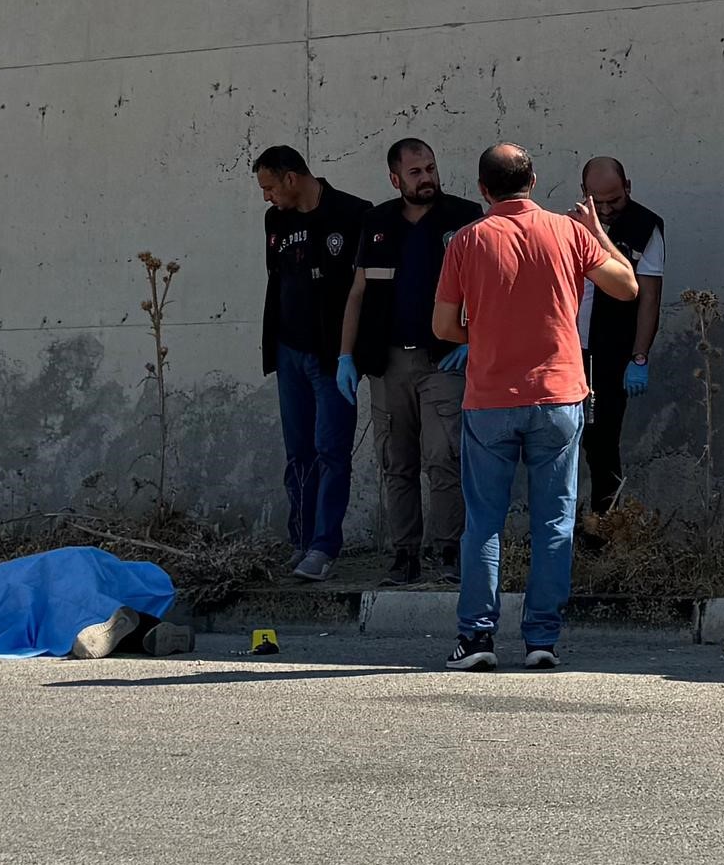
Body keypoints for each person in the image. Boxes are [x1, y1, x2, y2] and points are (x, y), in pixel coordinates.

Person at [432, 142, 642, 667]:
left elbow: (441, 325)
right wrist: (598, 233)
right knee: (555, 522)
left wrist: (482, 335)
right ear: (534, 180)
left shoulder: (468, 239)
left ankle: (477, 639)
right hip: (558, 395)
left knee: (484, 521)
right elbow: (627, 287)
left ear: (483, 189)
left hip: (490, 399)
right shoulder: (568, 232)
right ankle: (541, 641)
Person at [345, 137, 478, 585]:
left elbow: (486, 288)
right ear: (395, 178)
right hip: (388, 364)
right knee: (395, 461)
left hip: (443, 360)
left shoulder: (462, 218)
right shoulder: (377, 221)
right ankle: (404, 556)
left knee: (444, 457)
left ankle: (450, 552)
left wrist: (473, 340)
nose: (427, 179)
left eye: (432, 168)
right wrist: (346, 356)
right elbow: (359, 294)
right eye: (417, 172)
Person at [251, 146, 373, 579]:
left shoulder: (353, 214)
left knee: (331, 451)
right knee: (298, 453)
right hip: (289, 352)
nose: (266, 197)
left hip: (332, 356)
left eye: (269, 187)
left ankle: (324, 547)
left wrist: (350, 355)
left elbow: (365, 293)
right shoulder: (276, 221)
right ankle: (300, 541)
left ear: (290, 178)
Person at [574, 157, 667, 523]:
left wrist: (639, 357)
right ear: (585, 194)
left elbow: (649, 297)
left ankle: (604, 526)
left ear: (628, 186)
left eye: (616, 200)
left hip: (610, 352)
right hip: (569, 349)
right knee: (562, 441)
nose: (609, 209)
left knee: (601, 441)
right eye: (600, 202)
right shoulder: (569, 226)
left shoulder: (645, 226)